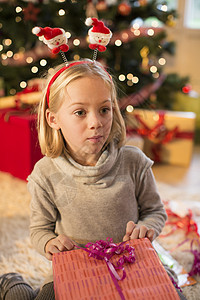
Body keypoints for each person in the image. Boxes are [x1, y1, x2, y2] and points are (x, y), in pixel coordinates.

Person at [0, 59, 186, 300]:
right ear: (53, 119)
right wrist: (49, 243)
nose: (96, 122)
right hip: (75, 271)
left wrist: (147, 228)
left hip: (131, 264)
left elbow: (155, 212)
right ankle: (12, 283)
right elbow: (40, 230)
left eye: (104, 110)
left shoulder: (134, 161)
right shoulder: (45, 174)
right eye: (80, 112)